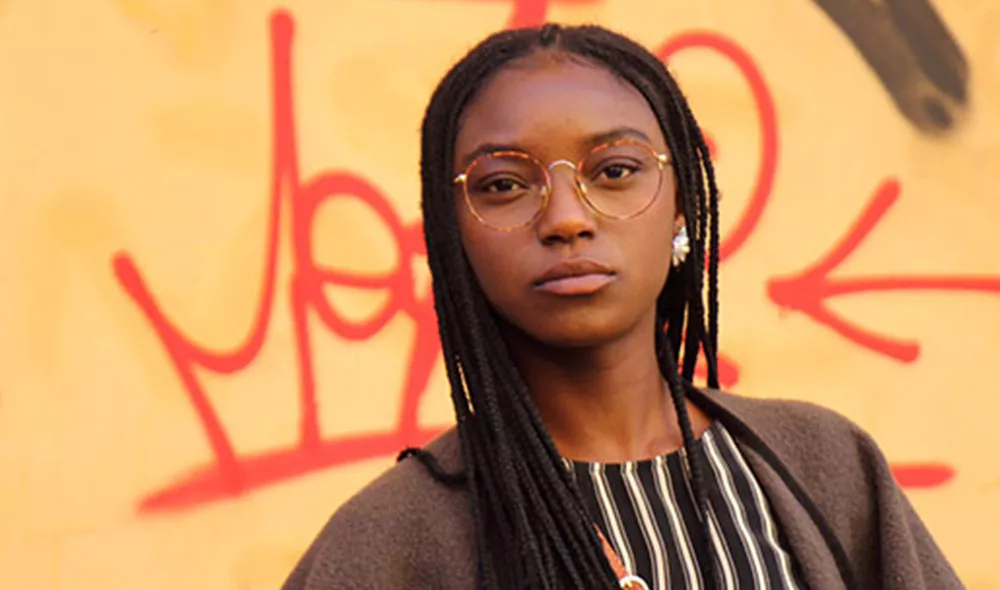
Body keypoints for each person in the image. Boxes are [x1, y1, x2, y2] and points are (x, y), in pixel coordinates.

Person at [282, 23, 962, 590]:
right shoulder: (392, 544)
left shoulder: (826, 468)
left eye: (614, 171)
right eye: (503, 184)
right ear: (450, 233)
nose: (568, 219)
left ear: (681, 206)